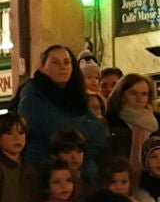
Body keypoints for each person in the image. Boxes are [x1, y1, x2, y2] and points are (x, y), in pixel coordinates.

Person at [18, 45, 110, 181]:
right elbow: (54, 131)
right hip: (45, 174)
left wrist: (77, 151)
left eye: (66, 62)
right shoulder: (33, 97)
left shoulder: (75, 96)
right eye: (55, 62)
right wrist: (79, 145)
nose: (62, 67)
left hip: (82, 176)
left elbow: (100, 135)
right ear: (42, 67)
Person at [105, 74, 160, 170]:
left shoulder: (157, 123)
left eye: (144, 94)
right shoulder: (110, 122)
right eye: (133, 93)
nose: (139, 99)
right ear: (121, 95)